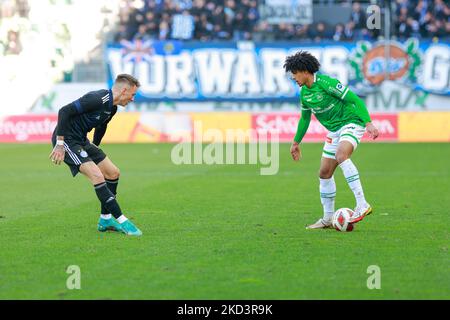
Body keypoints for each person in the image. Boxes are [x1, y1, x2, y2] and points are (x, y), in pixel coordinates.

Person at [284, 51, 379, 229]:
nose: (293, 78)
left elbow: (355, 100)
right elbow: (305, 118)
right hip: (334, 131)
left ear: (304, 71)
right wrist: (296, 142)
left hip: (352, 123)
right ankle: (328, 219)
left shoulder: (327, 83)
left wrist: (368, 123)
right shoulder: (304, 93)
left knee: (342, 155)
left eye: (294, 73)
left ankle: (362, 204)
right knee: (324, 173)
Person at [49, 74, 143, 236]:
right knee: (97, 176)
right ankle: (122, 220)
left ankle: (105, 219)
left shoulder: (112, 108)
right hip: (67, 141)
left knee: (113, 172)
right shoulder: (98, 99)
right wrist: (60, 144)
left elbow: (101, 126)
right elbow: (64, 111)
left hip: (82, 141)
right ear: (124, 91)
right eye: (132, 95)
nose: (133, 99)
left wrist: (95, 146)